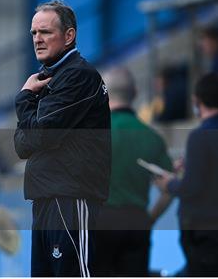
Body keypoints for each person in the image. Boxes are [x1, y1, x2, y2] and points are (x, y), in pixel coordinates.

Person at [14, 0, 111, 277]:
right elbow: (22, 145)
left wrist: (24, 99)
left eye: (45, 32)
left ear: (69, 36)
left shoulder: (78, 76)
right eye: (34, 33)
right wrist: (29, 102)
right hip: (47, 198)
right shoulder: (49, 79)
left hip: (69, 199)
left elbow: (39, 136)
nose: (37, 39)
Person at [155, 72, 218, 276]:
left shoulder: (199, 137)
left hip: (202, 233)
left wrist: (168, 184)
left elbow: (191, 187)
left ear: (197, 100)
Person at [94, 67, 173, 277]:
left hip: (99, 222)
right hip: (137, 222)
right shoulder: (152, 138)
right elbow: (170, 187)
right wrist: (149, 218)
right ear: (135, 94)